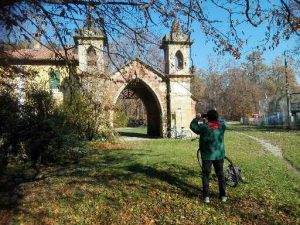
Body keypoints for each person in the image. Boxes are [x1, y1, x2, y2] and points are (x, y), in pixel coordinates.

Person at [190, 109, 227, 203]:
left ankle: (206, 196)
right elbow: (223, 121)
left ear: (208, 118)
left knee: (206, 175)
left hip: (207, 155)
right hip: (219, 155)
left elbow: (193, 126)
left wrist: (197, 118)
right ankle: (223, 195)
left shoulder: (204, 127)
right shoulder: (221, 126)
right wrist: (215, 116)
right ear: (216, 117)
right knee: (220, 175)